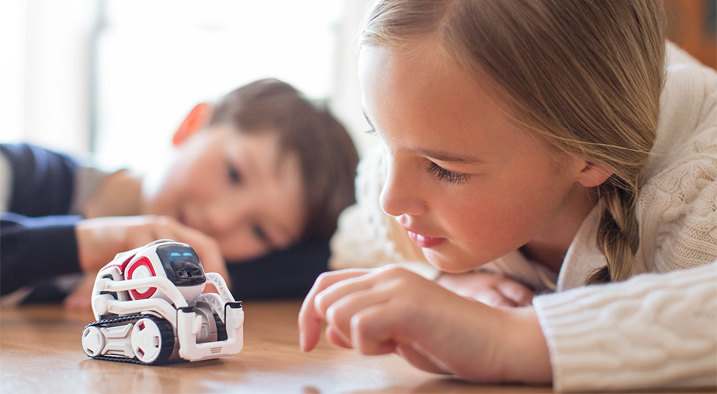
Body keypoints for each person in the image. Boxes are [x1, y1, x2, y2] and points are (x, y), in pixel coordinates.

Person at [298, 1, 716, 392]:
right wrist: (452, 286)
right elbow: (357, 241)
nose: (391, 199)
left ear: (588, 156)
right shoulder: (424, 146)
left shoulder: (699, 195)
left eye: (444, 169)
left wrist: (504, 339)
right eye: (380, 137)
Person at [1, 78, 359, 306]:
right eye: (234, 173)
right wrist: (86, 245)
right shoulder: (21, 173)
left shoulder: (210, 267)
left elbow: (330, 266)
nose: (220, 219)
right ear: (192, 124)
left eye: (260, 231)